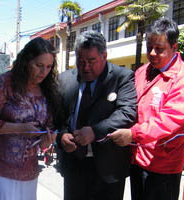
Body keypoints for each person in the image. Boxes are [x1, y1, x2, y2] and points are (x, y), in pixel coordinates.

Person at [109, 18, 184, 200]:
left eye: (159, 49)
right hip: (138, 158)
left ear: (174, 47)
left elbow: (169, 120)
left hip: (163, 165)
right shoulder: (143, 71)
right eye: (149, 47)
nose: (152, 53)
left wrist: (134, 134)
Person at [0, 37, 61, 200]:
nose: (44, 72)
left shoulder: (47, 89)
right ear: (27, 60)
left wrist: (46, 140)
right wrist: (19, 129)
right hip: (0, 169)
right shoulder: (5, 83)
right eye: (39, 65)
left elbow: (48, 124)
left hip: (30, 171)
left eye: (49, 67)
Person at [57, 31, 137, 200]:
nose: (85, 67)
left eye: (91, 61)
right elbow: (56, 116)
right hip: (74, 167)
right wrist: (62, 135)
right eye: (80, 61)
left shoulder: (121, 77)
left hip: (108, 169)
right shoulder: (64, 80)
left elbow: (127, 112)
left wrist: (95, 131)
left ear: (104, 56)